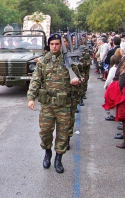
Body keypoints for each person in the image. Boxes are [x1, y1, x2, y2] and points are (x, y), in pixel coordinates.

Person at [27, 34, 80, 173]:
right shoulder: (43, 61)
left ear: (61, 45)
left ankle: (58, 159)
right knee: (45, 133)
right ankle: (47, 153)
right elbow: (35, 80)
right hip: (48, 105)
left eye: (57, 44)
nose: (55, 46)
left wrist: (76, 81)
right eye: (52, 44)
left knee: (63, 134)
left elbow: (79, 78)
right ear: (49, 45)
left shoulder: (68, 61)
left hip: (64, 105)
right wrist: (31, 97)